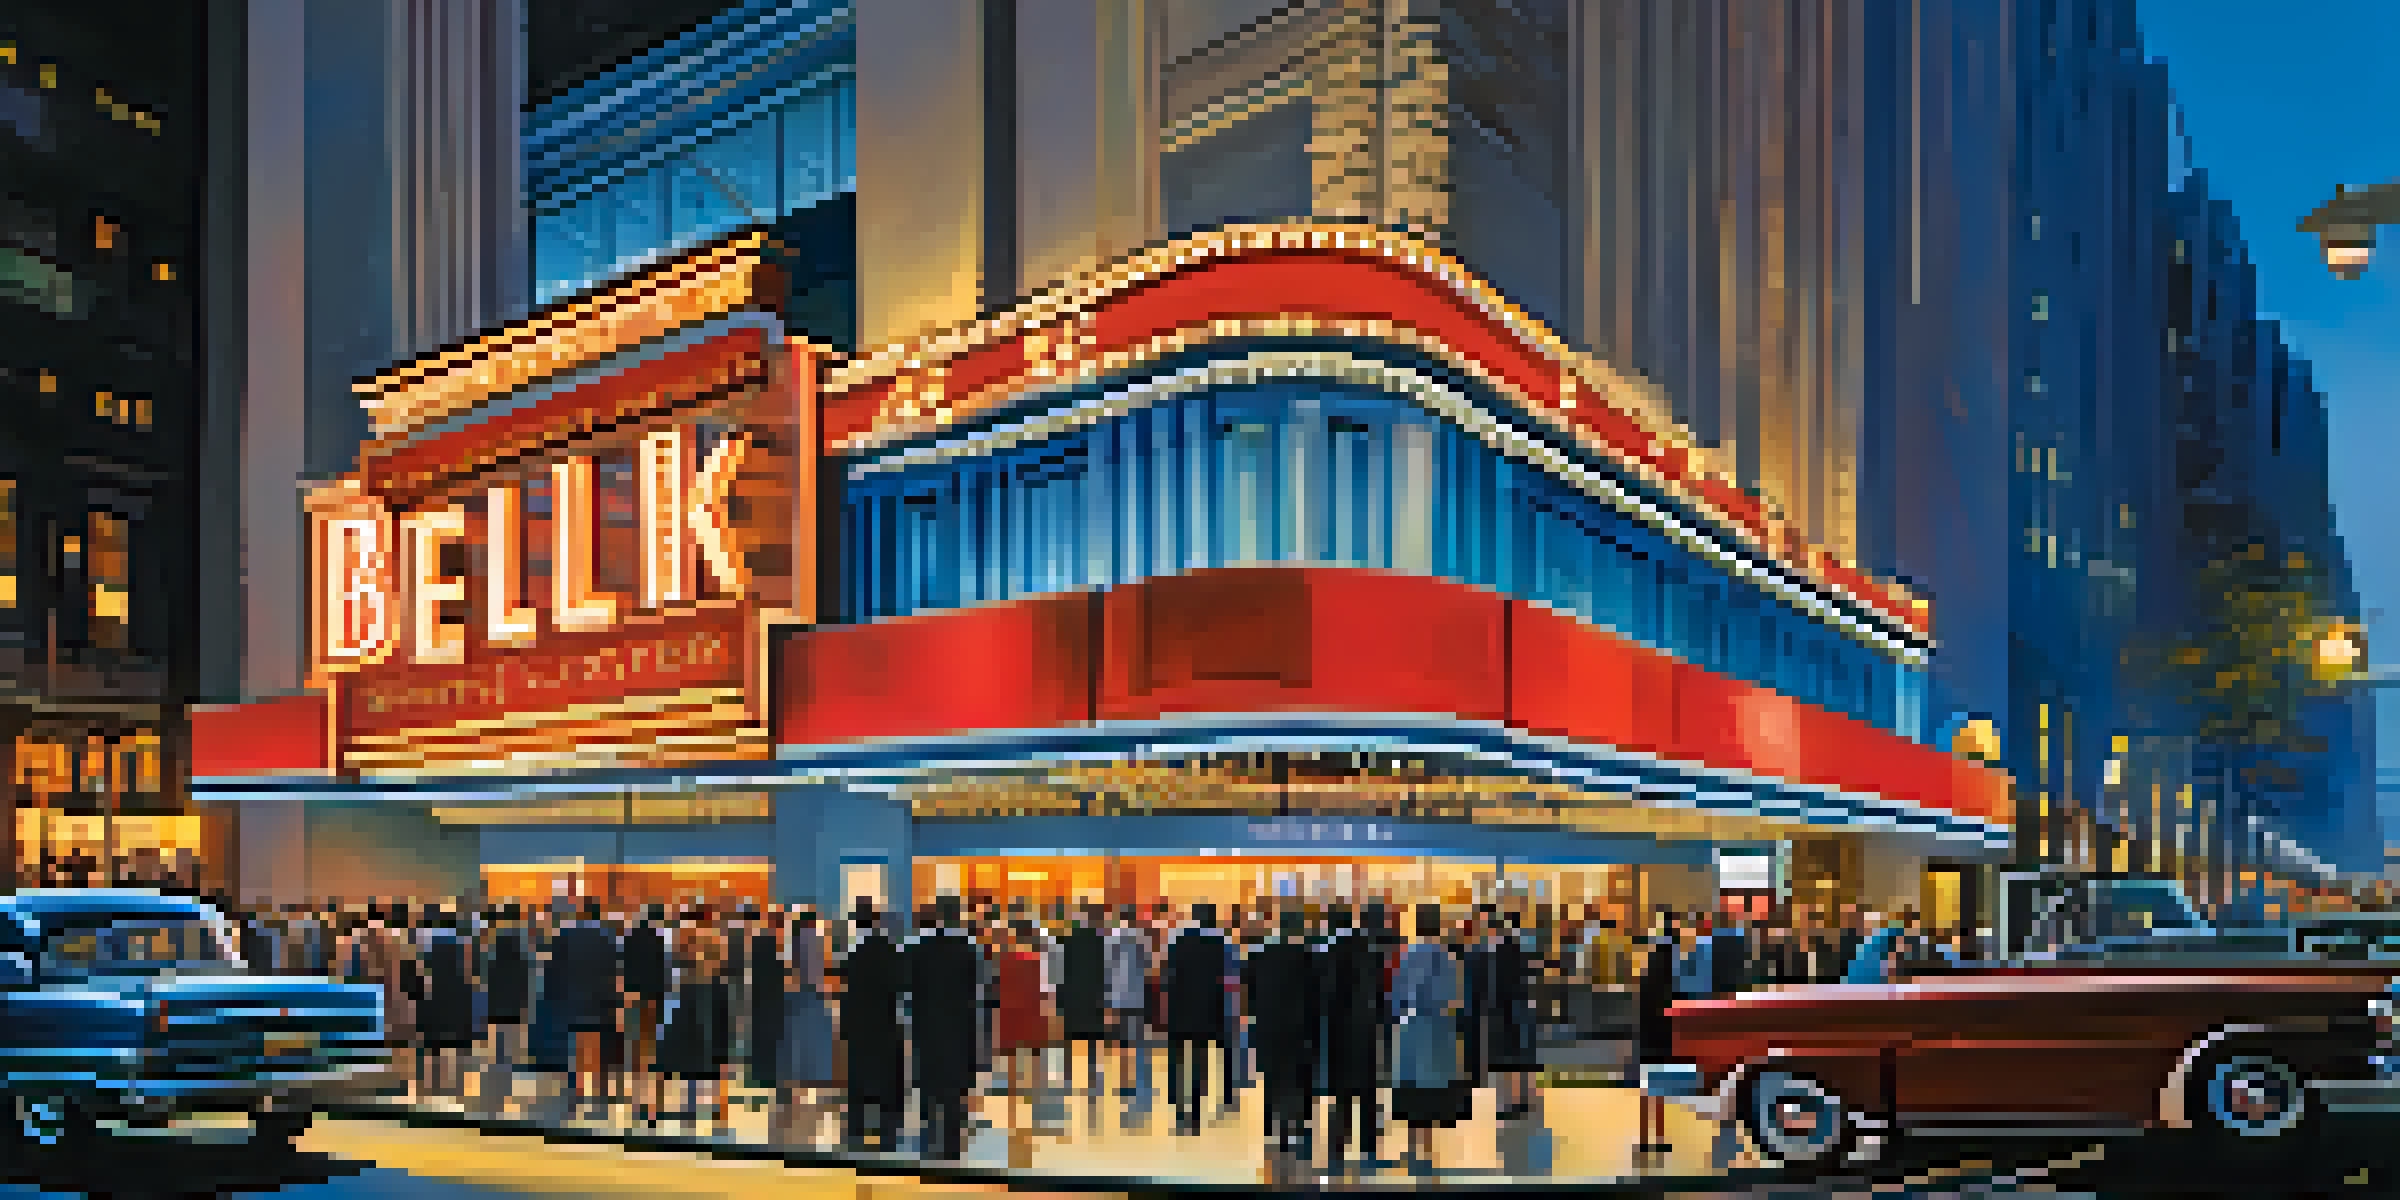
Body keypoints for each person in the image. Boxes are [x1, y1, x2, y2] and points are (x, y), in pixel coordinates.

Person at [1390, 904, 1467, 1176]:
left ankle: (1412, 1148)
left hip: (1412, 1029)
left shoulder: (1408, 955)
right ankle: (1428, 1148)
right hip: (1439, 1029)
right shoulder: (1448, 957)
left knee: (1412, 1089)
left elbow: (1396, 997)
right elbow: (1456, 997)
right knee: (1433, 1088)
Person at [906, 895, 983, 1160]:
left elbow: (910, 990)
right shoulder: (968, 949)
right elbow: (974, 994)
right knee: (952, 1087)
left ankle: (928, 1138)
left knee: (929, 1082)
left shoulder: (920, 948)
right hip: (958, 1028)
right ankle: (951, 1144)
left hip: (927, 1027)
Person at [1246, 907, 1319, 1163]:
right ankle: (1292, 1131)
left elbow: (1250, 992)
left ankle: (1270, 1127)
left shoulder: (1260, 954)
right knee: (1293, 1079)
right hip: (1297, 1028)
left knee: (1272, 1078)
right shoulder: (1307, 955)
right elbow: (1314, 996)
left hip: (1268, 1026)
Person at [1318, 903, 1384, 1175]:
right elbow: (1379, 991)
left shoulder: (1328, 950)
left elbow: (1324, 994)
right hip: (1366, 1028)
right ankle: (1368, 1148)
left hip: (1338, 1030)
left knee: (1341, 1094)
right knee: (1368, 1092)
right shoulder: (1370, 947)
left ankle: (1337, 1148)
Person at [835, 899, 905, 1151]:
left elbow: (846, 995)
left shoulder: (850, 954)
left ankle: (856, 1138)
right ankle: (887, 1140)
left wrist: (844, 1029)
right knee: (887, 1086)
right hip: (885, 1027)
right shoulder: (890, 951)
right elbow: (900, 989)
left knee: (857, 1086)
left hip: (858, 1030)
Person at [656, 917, 731, 1134]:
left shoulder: (689, 940)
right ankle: (719, 1114)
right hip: (711, 993)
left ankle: (692, 1112)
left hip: (692, 994)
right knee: (716, 1056)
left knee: (692, 1058)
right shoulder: (716, 940)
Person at [1163, 901, 1231, 1135]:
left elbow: (1169, 978)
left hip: (1180, 1011)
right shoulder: (1218, 944)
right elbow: (1224, 980)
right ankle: (1195, 1113)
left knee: (1179, 1061)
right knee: (1201, 1063)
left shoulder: (1179, 941)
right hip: (1207, 1013)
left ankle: (1177, 1105)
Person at [554, 899, 622, 1117]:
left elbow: (558, 968)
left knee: (576, 1049)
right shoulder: (608, 937)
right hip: (600, 1000)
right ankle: (600, 1100)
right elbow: (615, 971)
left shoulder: (567, 935)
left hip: (573, 998)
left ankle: (575, 1097)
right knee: (599, 1050)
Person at [778, 907, 838, 1143]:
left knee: (797, 1048)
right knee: (815, 1050)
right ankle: (814, 1098)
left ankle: (796, 1096)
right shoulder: (815, 940)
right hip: (813, 999)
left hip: (798, 999)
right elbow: (821, 974)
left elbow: (792, 973)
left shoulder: (792, 941)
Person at [416, 904, 477, 1099]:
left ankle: (431, 1087)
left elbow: (422, 972)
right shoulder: (463, 941)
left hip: (434, 995)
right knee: (457, 1043)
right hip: (457, 995)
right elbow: (469, 971)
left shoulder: (425, 939)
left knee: (433, 1044)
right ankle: (457, 1088)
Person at [1633, 913, 1680, 1155]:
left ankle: (1644, 1137)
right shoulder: (1671, 978)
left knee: (1646, 1088)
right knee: (1659, 1089)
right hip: (1663, 1035)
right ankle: (1659, 1137)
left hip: (1647, 1035)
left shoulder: (1647, 976)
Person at [621, 905, 671, 1124]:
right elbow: (663, 975)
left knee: (636, 1056)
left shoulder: (631, 937)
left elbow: (625, 971)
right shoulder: (659, 941)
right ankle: (655, 1107)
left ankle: (637, 1104)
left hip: (634, 1002)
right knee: (654, 1055)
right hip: (654, 1002)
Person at [479, 904, 531, 1115]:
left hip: (495, 1006)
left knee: (494, 1055)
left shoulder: (493, 944)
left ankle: (491, 1098)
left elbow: (486, 977)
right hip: (513, 1009)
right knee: (507, 1055)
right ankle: (501, 1097)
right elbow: (524, 979)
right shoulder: (521, 945)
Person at [1058, 905, 1108, 1095]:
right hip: (1094, 999)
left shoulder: (1068, 942)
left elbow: (1062, 973)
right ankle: (1093, 1080)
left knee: (1071, 1038)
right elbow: (1105, 975)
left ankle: (1069, 1079)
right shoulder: (1100, 943)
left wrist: (1060, 1000)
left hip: (1073, 998)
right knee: (1093, 1040)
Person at [1103, 904, 1151, 1096]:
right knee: (1139, 1042)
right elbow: (1148, 967)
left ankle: (1125, 1084)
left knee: (1123, 1044)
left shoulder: (1112, 940)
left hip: (1119, 998)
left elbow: (1108, 972)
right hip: (1138, 997)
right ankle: (1142, 1083)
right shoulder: (1141, 940)